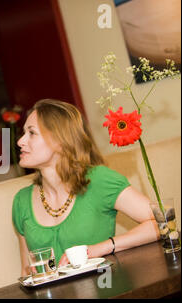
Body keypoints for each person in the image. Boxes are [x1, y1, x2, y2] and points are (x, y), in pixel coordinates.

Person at [12, 99, 159, 276]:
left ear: (60, 140)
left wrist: (102, 248)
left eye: (32, 133)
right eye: (23, 133)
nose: (21, 141)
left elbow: (162, 222)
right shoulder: (21, 201)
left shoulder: (99, 180)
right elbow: (27, 273)